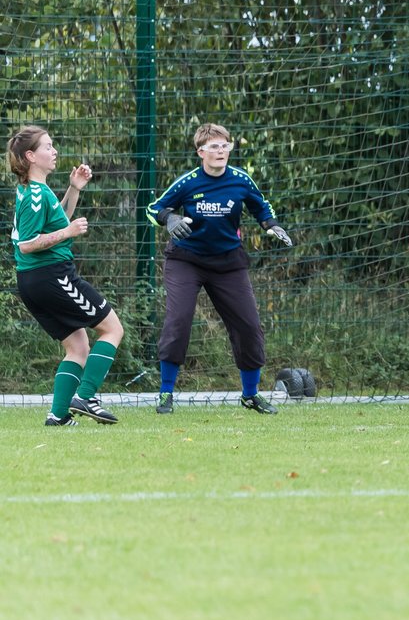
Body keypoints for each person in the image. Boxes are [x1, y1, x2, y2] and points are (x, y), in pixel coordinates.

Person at [145, 122, 292, 415]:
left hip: (228, 263)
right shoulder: (187, 182)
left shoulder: (241, 180)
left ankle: (250, 396)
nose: (221, 151)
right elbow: (153, 208)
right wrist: (170, 219)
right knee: (178, 321)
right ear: (201, 151)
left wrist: (271, 224)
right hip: (186, 261)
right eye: (214, 146)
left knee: (249, 326)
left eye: (225, 145)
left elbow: (261, 206)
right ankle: (165, 394)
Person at [8, 126, 125, 426]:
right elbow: (27, 244)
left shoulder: (35, 190)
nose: (54, 150)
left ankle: (58, 416)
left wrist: (74, 189)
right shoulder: (34, 194)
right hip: (51, 276)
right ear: (31, 156)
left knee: (78, 346)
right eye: (48, 146)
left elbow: (55, 221)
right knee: (112, 329)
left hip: (34, 281)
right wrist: (68, 232)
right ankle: (85, 396)